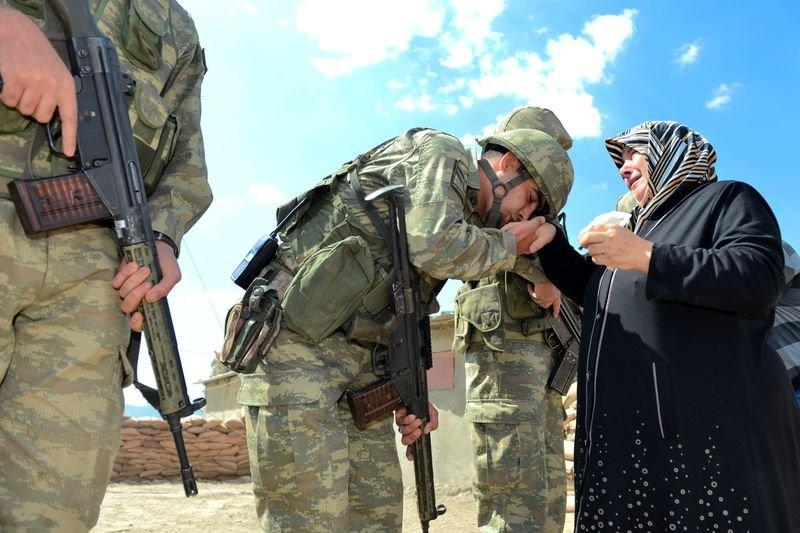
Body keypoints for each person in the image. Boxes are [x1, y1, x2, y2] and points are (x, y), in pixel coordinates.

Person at [234, 126, 570, 531]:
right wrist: (515, 251)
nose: (524, 216)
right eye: (530, 199)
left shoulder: (465, 221)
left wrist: (409, 390)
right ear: (508, 165)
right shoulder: (443, 153)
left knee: (377, 516)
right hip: (297, 350)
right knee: (307, 514)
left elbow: (406, 306)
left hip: (361, 367)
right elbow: (437, 246)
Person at [0, 2, 211, 529]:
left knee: (54, 514)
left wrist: (162, 236)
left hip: (99, 272)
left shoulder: (176, 24)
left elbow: (186, 154)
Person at [529, 120, 800, 531]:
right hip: (626, 435)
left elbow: (757, 277)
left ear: (671, 152)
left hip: (702, 439)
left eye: (633, 153)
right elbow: (595, 289)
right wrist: (550, 242)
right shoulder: (639, 227)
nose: (622, 167)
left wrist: (649, 257)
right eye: (619, 159)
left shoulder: (726, 199)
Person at [453, 106, 573, 532]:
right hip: (500, 352)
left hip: (542, 358)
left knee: (547, 496)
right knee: (511, 498)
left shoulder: (531, 204)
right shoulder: (474, 188)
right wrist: (538, 271)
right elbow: (470, 245)